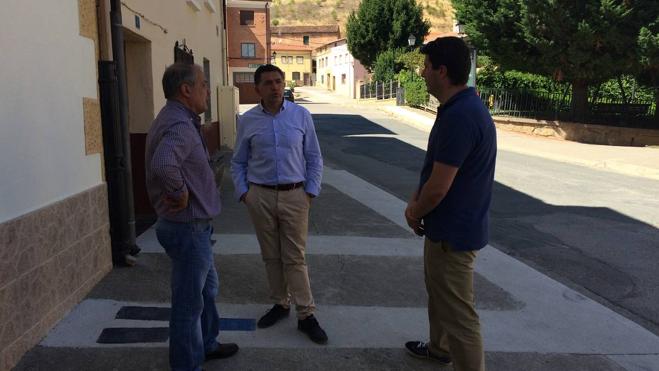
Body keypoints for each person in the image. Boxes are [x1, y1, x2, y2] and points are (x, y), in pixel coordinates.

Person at [403, 37, 496, 371]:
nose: (422, 72)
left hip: (453, 235)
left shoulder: (461, 116)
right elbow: (435, 169)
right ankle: (439, 349)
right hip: (446, 228)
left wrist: (414, 210)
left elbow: (439, 187)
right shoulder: (459, 108)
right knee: (439, 294)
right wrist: (417, 200)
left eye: (426, 67)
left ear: (442, 71)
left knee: (459, 315)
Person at [145, 63, 239, 371]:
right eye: (202, 85)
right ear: (186, 90)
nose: (207, 92)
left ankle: (207, 344)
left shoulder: (178, 119)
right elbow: (164, 164)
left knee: (207, 291)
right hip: (188, 229)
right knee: (188, 305)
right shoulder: (180, 125)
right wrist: (181, 192)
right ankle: (186, 364)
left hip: (195, 229)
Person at [230, 64, 327, 344]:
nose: (275, 87)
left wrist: (310, 191)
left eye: (278, 81)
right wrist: (244, 194)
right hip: (259, 196)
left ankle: (306, 314)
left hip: (295, 195)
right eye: (268, 83)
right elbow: (238, 161)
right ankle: (280, 304)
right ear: (257, 88)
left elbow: (314, 157)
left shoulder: (301, 116)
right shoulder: (248, 121)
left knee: (294, 257)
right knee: (271, 256)